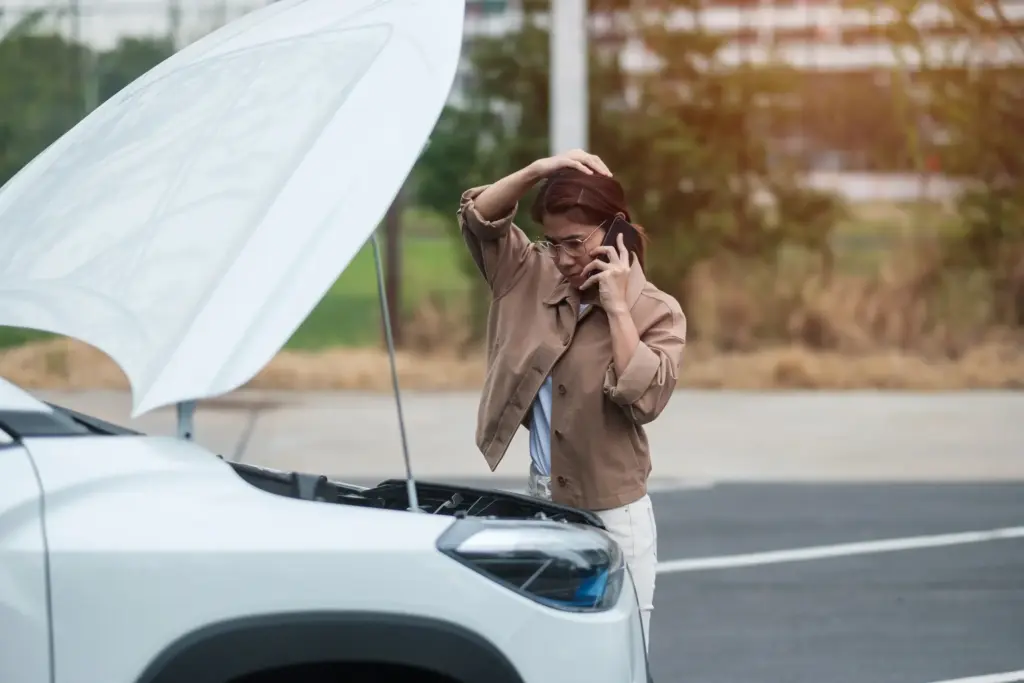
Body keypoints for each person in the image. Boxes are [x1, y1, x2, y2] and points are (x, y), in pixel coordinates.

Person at [456, 148, 687, 648]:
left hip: (614, 518)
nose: (562, 258)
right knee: (550, 658)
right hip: (543, 508)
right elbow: (481, 219)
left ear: (617, 232)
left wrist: (617, 310)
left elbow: (645, 399)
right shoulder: (528, 274)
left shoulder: (658, 312)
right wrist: (543, 170)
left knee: (620, 661)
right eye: (552, 242)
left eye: (575, 243)